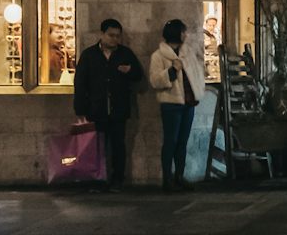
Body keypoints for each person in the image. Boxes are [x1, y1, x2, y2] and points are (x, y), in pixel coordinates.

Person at [73, 18, 143, 189]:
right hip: (96, 109)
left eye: (118, 36)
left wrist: (130, 71)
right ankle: (97, 179)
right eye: (111, 35)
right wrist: (80, 108)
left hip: (118, 109)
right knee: (97, 147)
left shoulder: (125, 53)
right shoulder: (89, 55)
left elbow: (139, 75)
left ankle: (118, 179)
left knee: (119, 145)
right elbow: (80, 82)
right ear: (102, 34)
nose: (115, 39)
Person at [147, 19, 205, 192]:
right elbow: (155, 80)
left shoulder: (187, 53)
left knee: (182, 141)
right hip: (171, 104)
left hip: (188, 102)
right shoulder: (158, 56)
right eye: (183, 32)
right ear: (176, 33)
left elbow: (196, 74)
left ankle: (179, 176)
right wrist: (172, 71)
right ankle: (167, 179)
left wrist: (198, 91)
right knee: (170, 141)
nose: (186, 35)